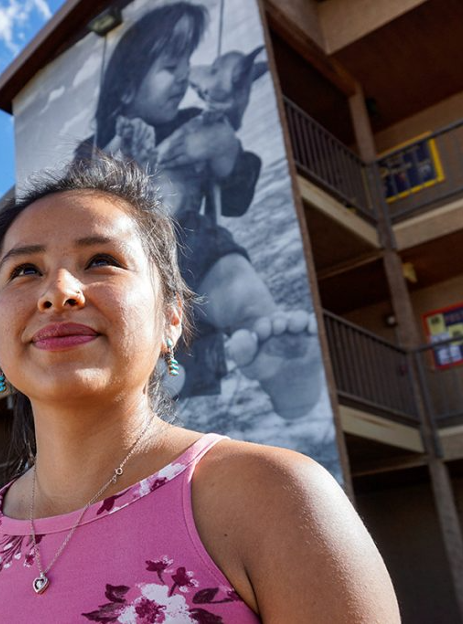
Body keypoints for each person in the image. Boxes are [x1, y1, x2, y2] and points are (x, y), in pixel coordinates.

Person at [0, 156, 399, 623]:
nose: (59, 291)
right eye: (24, 270)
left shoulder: (276, 499)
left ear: (172, 318)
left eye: (102, 260)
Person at [79, 2, 322, 419]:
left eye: (187, 64)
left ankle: (281, 364)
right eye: (170, 67)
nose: (184, 77)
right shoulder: (94, 152)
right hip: (128, 264)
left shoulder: (198, 121)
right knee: (127, 318)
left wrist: (226, 156)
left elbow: (235, 200)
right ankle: (158, 373)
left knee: (238, 288)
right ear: (125, 88)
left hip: (195, 247)